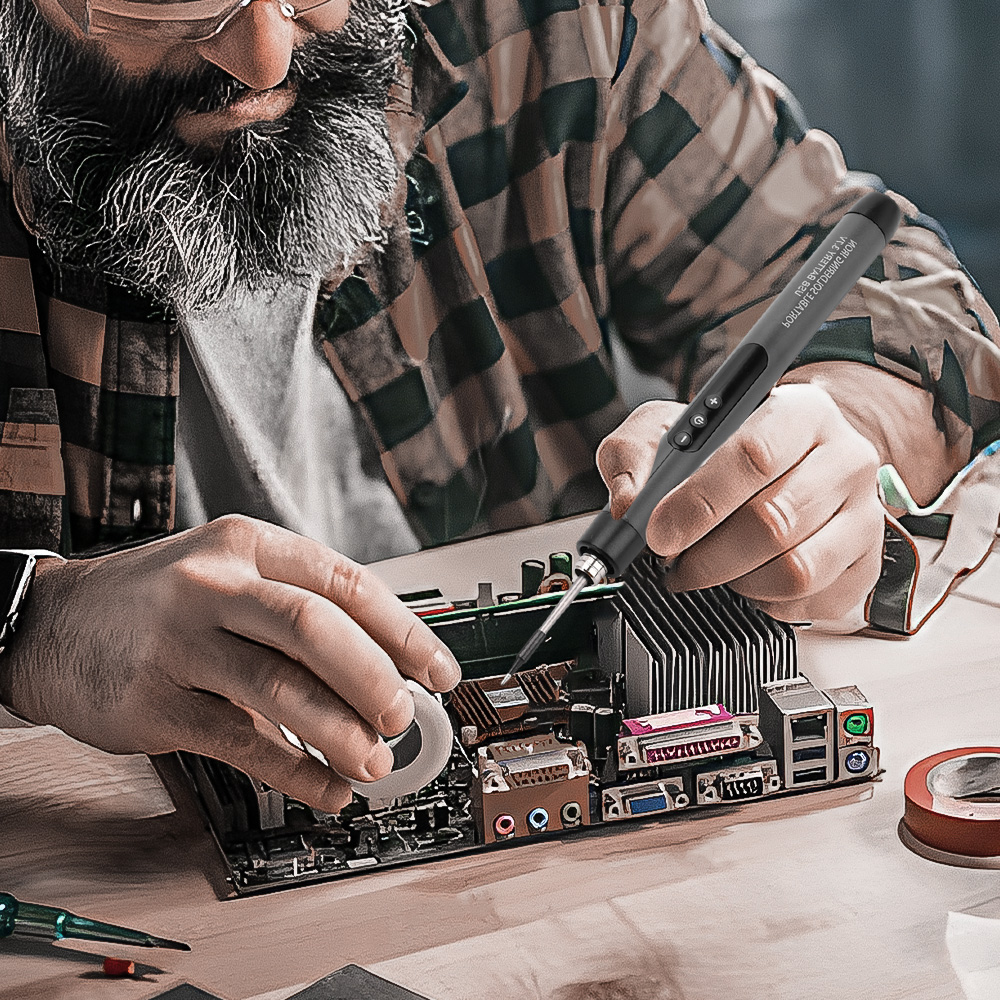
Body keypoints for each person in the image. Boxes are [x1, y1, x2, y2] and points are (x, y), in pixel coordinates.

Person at [0, 0, 997, 813]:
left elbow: (904, 292)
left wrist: (833, 430)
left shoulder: (549, 23)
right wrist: (32, 625)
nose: (265, 54)